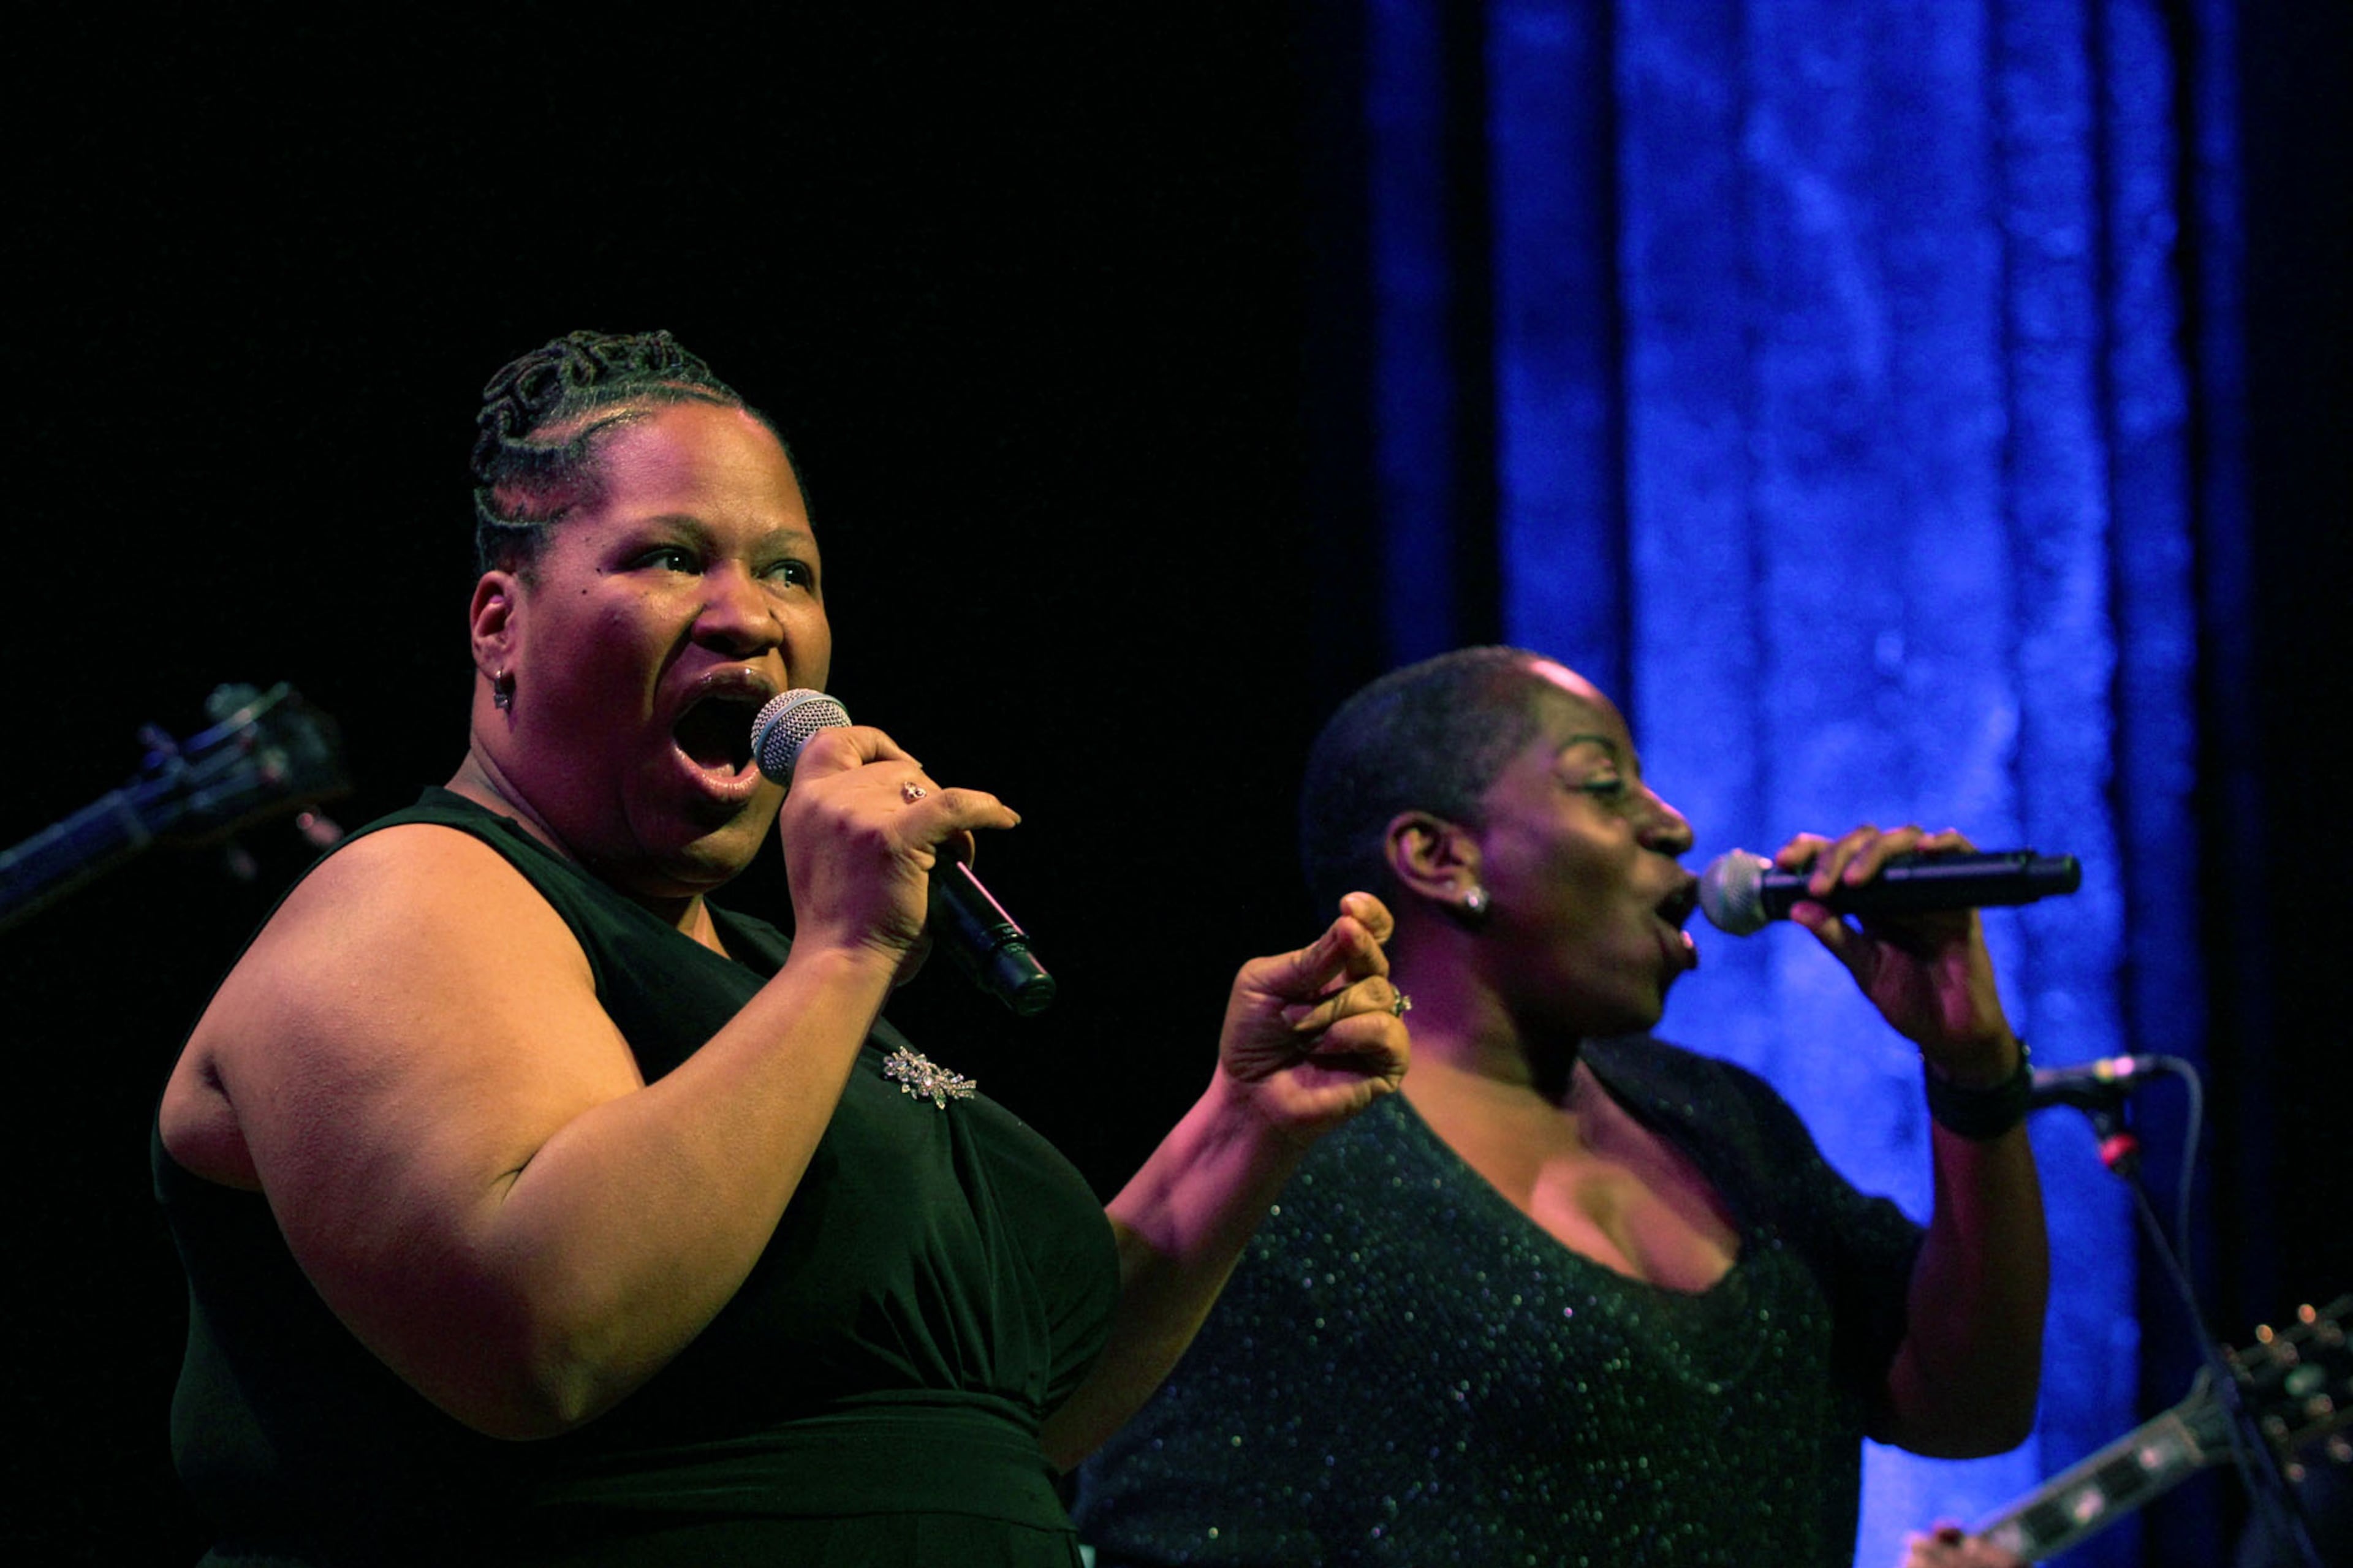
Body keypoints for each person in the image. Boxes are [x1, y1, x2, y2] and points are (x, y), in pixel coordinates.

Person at [153, 329, 1409, 1566]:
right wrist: (847, 951)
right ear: (500, 623)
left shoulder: (764, 967)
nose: (746, 618)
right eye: (669, 557)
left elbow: (1013, 1404)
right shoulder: (411, 895)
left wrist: (1244, 1124)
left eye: (791, 573)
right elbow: (545, 1333)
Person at [1075, 646, 2050, 1564]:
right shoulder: (1291, 1181)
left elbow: (1968, 1404)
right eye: (1603, 785)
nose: (1674, 827)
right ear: (1439, 857)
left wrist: (1971, 1068)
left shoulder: (1724, 1121)